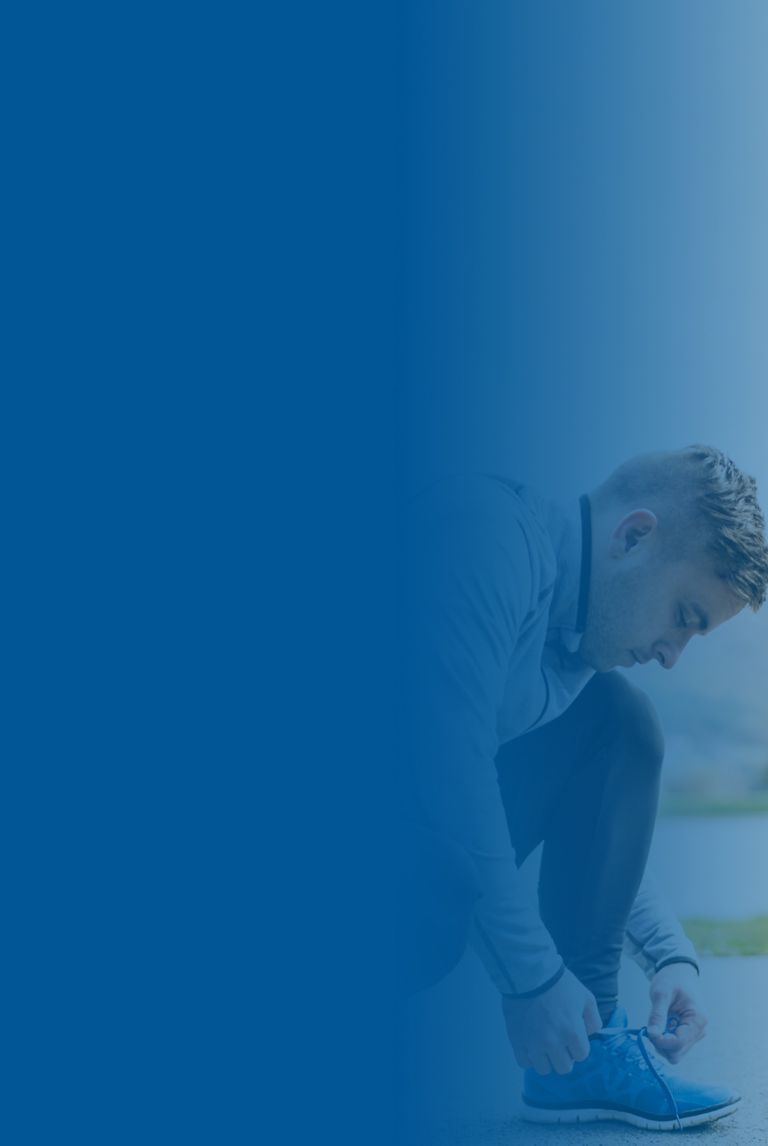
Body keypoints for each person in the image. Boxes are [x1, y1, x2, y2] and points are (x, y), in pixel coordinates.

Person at [400, 445, 768, 1130]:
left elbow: (594, 823)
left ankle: (585, 1056)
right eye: (683, 616)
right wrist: (532, 980)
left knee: (619, 721)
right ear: (633, 537)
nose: (671, 654)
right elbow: (450, 775)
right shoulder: (486, 539)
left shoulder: (568, 656)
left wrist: (669, 956)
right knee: (431, 891)